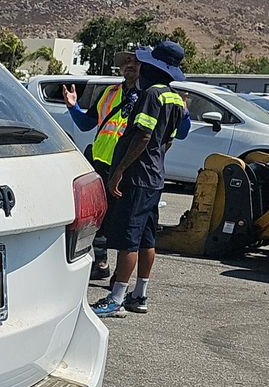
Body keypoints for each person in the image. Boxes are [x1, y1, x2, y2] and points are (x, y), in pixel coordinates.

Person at [92, 40, 192, 317]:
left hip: (137, 178)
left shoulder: (151, 95)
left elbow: (143, 135)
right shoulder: (175, 99)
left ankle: (116, 298)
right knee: (148, 239)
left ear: (153, 67)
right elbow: (168, 141)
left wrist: (120, 170)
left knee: (129, 239)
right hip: (156, 176)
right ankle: (140, 294)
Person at [62, 51, 141, 277]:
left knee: (124, 221)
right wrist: (73, 107)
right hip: (101, 163)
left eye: (135, 63)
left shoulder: (148, 95)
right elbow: (87, 124)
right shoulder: (109, 93)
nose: (129, 66)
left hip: (128, 167)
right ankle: (101, 263)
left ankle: (121, 274)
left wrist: (184, 112)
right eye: (126, 63)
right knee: (99, 218)